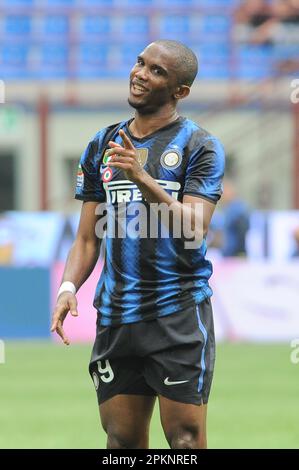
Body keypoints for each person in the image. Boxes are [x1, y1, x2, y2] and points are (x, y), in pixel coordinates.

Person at [51, 40, 225, 449]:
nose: (141, 74)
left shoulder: (200, 146)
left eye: (157, 71)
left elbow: (196, 228)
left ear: (180, 91)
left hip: (177, 314)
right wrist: (67, 288)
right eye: (140, 63)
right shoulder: (101, 144)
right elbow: (86, 236)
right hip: (116, 315)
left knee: (185, 441)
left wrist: (144, 180)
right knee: (122, 443)